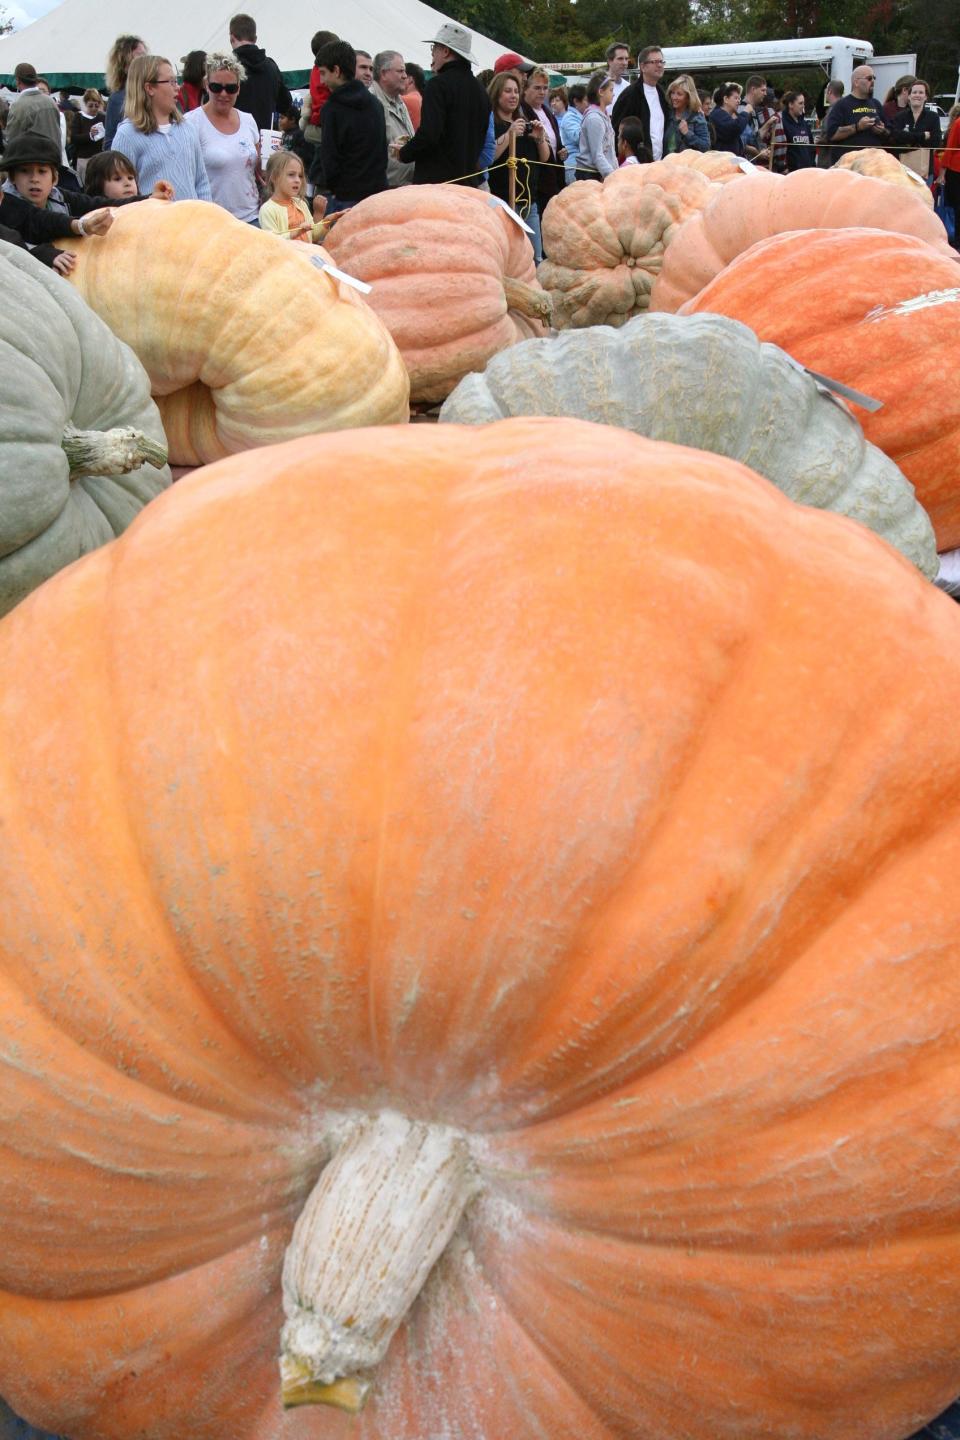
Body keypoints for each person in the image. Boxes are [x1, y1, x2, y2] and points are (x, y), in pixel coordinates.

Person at [395, 23, 491, 186]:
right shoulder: (480, 91)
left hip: (437, 186)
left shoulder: (438, 85)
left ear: (446, 51)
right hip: (467, 184)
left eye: (434, 48)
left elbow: (430, 134)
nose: (432, 54)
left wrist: (404, 153)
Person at [113, 54, 211, 201]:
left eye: (176, 81)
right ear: (150, 88)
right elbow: (120, 195)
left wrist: (206, 218)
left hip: (192, 222)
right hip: (151, 222)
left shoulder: (188, 128)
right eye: (171, 82)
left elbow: (201, 182)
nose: (177, 87)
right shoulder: (127, 135)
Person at [185, 53, 261, 222]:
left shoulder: (248, 120)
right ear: (206, 85)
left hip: (252, 218)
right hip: (213, 222)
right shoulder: (191, 123)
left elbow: (258, 169)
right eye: (216, 87)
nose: (224, 94)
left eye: (231, 88)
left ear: (239, 87)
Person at [315, 39, 387, 212]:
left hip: (345, 198)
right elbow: (382, 151)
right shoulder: (375, 104)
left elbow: (330, 157)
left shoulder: (332, 109)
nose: (322, 80)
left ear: (337, 71)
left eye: (323, 73)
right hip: (377, 196)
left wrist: (334, 187)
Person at [487, 70, 545, 219]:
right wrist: (509, 135)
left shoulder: (524, 123)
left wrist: (540, 138)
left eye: (516, 91)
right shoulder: (490, 124)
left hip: (529, 202)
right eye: (507, 91)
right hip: (502, 203)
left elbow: (545, 158)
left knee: (533, 244)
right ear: (496, 93)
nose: (513, 96)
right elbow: (488, 157)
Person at [521, 66, 565, 242]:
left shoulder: (547, 111)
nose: (542, 92)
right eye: (537, 88)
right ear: (526, 89)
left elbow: (556, 141)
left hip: (554, 175)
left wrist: (562, 151)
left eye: (545, 88)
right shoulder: (524, 111)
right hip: (538, 182)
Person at [822, 65, 897, 164]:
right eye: (869, 78)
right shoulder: (841, 105)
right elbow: (832, 134)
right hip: (849, 166)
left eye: (874, 78)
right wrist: (857, 127)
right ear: (856, 82)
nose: (873, 81)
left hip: (873, 164)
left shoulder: (876, 104)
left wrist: (882, 131)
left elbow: (890, 133)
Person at [229, 14, 292, 131]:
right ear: (255, 38)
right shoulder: (272, 67)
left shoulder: (227, 69)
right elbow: (285, 103)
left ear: (232, 38)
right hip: (265, 139)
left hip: (234, 136)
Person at [611, 45, 669, 162]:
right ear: (643, 66)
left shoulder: (662, 94)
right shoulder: (630, 94)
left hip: (660, 162)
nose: (659, 65)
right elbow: (617, 128)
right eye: (654, 62)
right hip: (638, 163)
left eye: (661, 61)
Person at [5, 61, 68, 163]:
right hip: (52, 163)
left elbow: (12, 141)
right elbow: (57, 136)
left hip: (30, 165)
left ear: (17, 81)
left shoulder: (18, 106)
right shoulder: (50, 102)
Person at [258, 149, 327, 240]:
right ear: (274, 177)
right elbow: (272, 242)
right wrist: (296, 232)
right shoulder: (268, 210)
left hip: (306, 254)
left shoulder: (300, 204)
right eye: (291, 175)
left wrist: (322, 216)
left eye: (300, 176)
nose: (297, 180)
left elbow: (313, 236)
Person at [372, 51, 415, 187]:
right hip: (385, 189)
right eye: (400, 71)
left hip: (404, 186)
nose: (405, 76)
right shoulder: (372, 102)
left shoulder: (400, 101)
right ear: (384, 74)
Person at [891, 80, 941, 178]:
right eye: (914, 92)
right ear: (909, 96)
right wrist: (922, 136)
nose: (917, 95)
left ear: (926, 97)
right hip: (902, 170)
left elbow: (935, 142)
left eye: (921, 92)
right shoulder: (900, 117)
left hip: (924, 170)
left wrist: (908, 138)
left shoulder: (933, 117)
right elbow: (896, 137)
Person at [103, 36, 146, 146]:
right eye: (139, 56)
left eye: (145, 56)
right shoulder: (117, 99)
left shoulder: (157, 91)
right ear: (125, 64)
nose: (146, 61)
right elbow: (110, 142)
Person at [575, 71, 616, 180]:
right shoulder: (594, 119)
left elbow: (610, 151)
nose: (614, 94)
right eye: (611, 90)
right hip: (590, 175)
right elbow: (597, 155)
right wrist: (613, 177)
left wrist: (616, 170)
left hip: (600, 172)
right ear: (601, 92)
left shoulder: (604, 116)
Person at [664, 74, 710, 154]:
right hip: (666, 163)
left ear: (688, 97)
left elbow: (705, 146)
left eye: (679, 94)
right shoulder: (667, 113)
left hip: (687, 165)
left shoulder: (697, 117)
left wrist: (687, 133)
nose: (674, 97)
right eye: (673, 93)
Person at [71, 89, 106, 182]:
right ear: (85, 104)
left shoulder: (103, 117)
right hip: (84, 159)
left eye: (96, 105)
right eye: (91, 106)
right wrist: (89, 135)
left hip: (100, 158)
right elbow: (74, 138)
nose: (94, 108)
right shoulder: (78, 117)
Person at [709, 83, 751, 155]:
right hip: (723, 162)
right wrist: (745, 112)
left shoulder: (724, 115)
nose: (739, 101)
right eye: (736, 98)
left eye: (739, 98)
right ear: (726, 99)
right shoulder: (717, 114)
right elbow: (734, 128)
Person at [780, 91, 816, 170]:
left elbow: (812, 148)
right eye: (800, 103)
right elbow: (779, 148)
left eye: (803, 103)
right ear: (791, 105)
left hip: (807, 171)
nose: (803, 106)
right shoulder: (782, 123)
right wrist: (783, 168)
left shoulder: (804, 124)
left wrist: (813, 166)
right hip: (791, 172)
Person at [559, 83, 587, 183]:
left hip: (580, 164)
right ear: (576, 101)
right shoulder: (570, 117)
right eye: (585, 100)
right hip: (573, 166)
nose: (588, 104)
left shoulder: (580, 115)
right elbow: (577, 137)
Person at [817, 78, 844, 166]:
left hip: (829, 160)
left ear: (829, 92)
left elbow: (830, 134)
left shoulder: (833, 111)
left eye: (826, 90)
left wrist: (819, 140)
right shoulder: (844, 108)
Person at [605, 42, 632, 109]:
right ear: (609, 61)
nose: (624, 63)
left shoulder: (628, 87)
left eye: (626, 59)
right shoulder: (599, 86)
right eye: (620, 59)